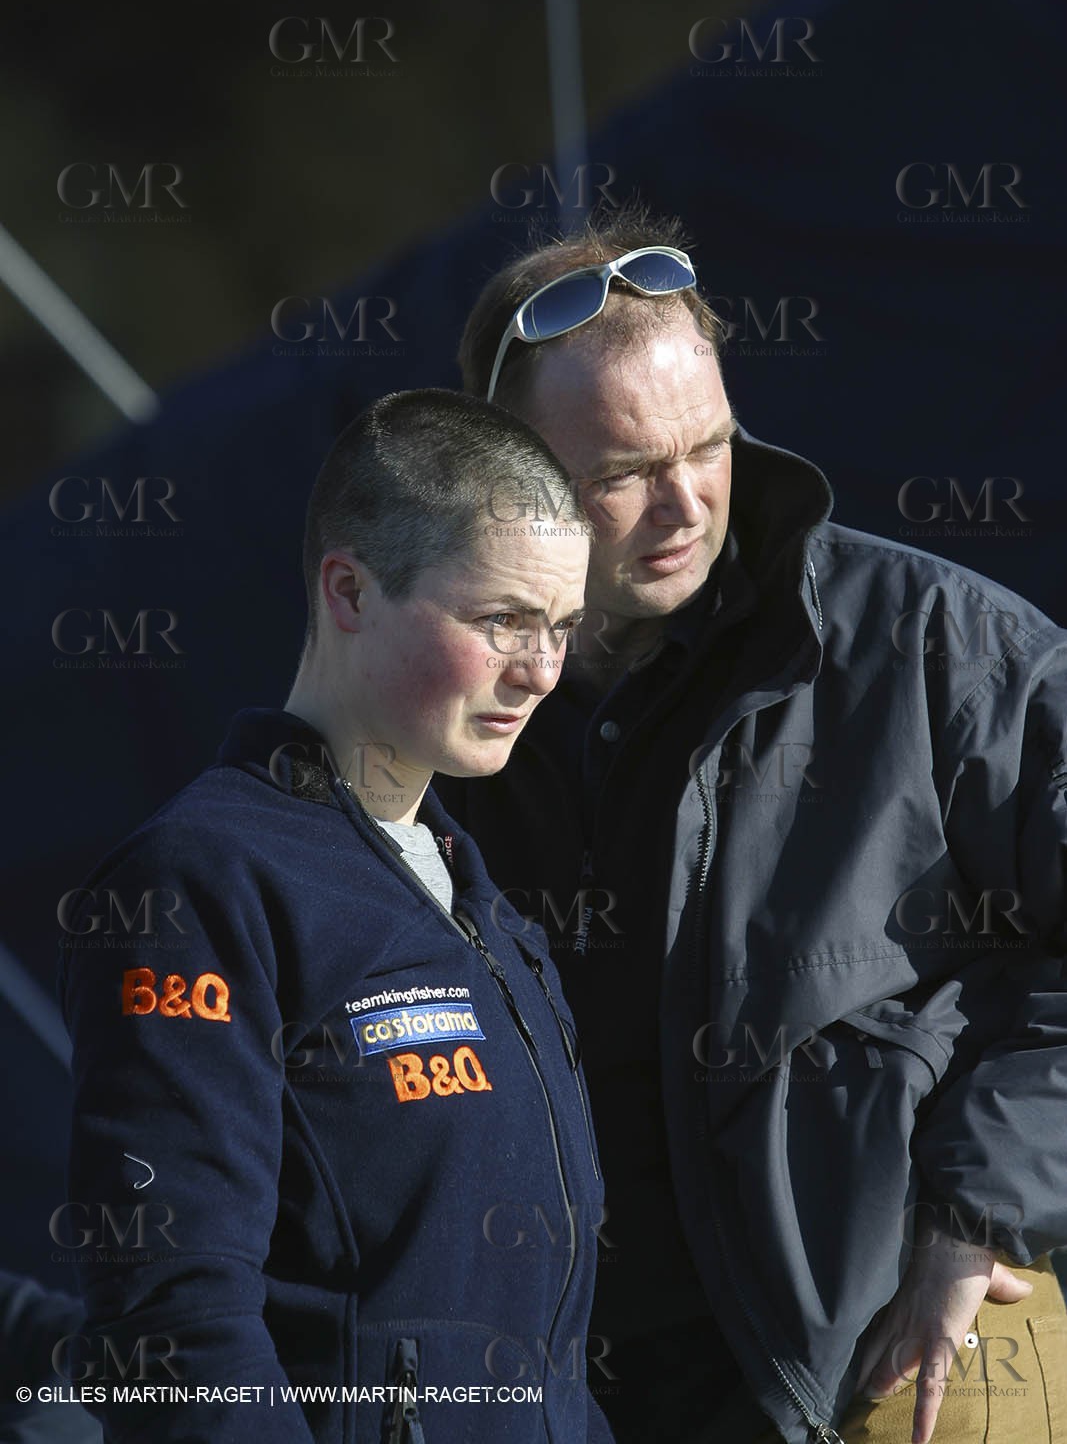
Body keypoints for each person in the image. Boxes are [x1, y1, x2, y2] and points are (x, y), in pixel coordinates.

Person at [434, 209, 1067, 1444]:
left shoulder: (936, 644)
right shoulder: (438, 706)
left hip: (907, 1341)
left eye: (708, 445)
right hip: (567, 1385)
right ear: (504, 480)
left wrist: (979, 1213)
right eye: (620, 474)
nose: (682, 503)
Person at [59, 390, 613, 1444]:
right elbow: (172, 1320)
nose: (540, 671)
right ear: (349, 589)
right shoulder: (204, 881)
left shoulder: (474, 898)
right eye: (501, 619)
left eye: (560, 629)